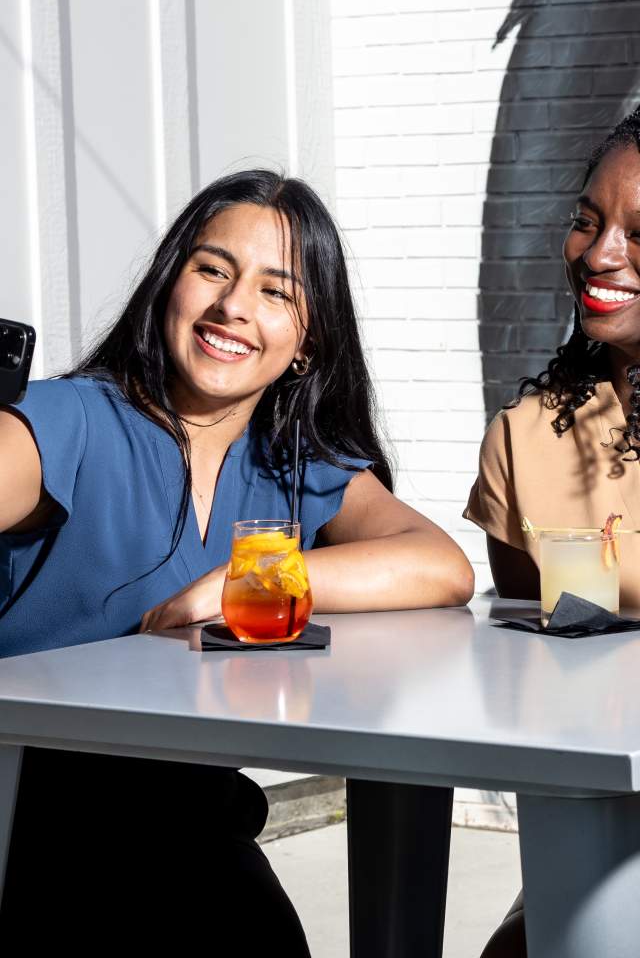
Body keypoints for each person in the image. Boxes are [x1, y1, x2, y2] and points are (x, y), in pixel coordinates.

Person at [0, 169, 473, 949]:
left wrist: (240, 580)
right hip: (33, 835)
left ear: (307, 340)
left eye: (275, 291)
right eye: (212, 269)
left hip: (189, 828)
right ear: (169, 287)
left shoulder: (295, 462)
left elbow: (439, 565)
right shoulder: (71, 419)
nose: (233, 306)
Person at [465, 106, 640, 956]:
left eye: (639, 232)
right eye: (587, 221)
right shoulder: (526, 438)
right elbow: (524, 653)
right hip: (595, 825)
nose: (601, 255)